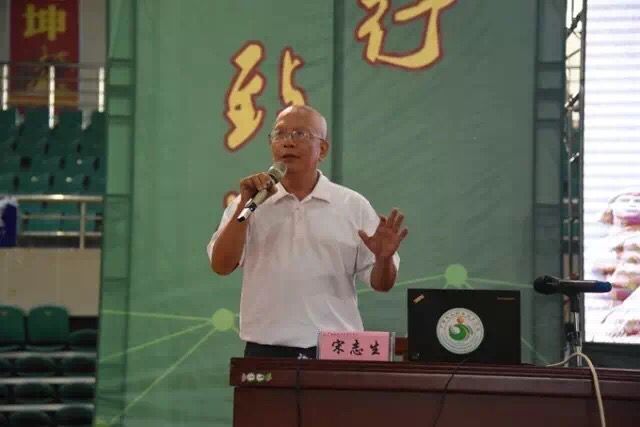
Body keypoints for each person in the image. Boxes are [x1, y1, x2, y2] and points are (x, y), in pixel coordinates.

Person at [207, 105, 408, 359]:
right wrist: (244, 207)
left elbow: (382, 284)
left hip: (336, 351)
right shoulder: (250, 203)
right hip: (266, 351)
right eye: (279, 134)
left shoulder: (351, 205)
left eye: (300, 134)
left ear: (322, 149)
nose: (288, 142)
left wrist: (384, 259)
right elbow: (221, 266)